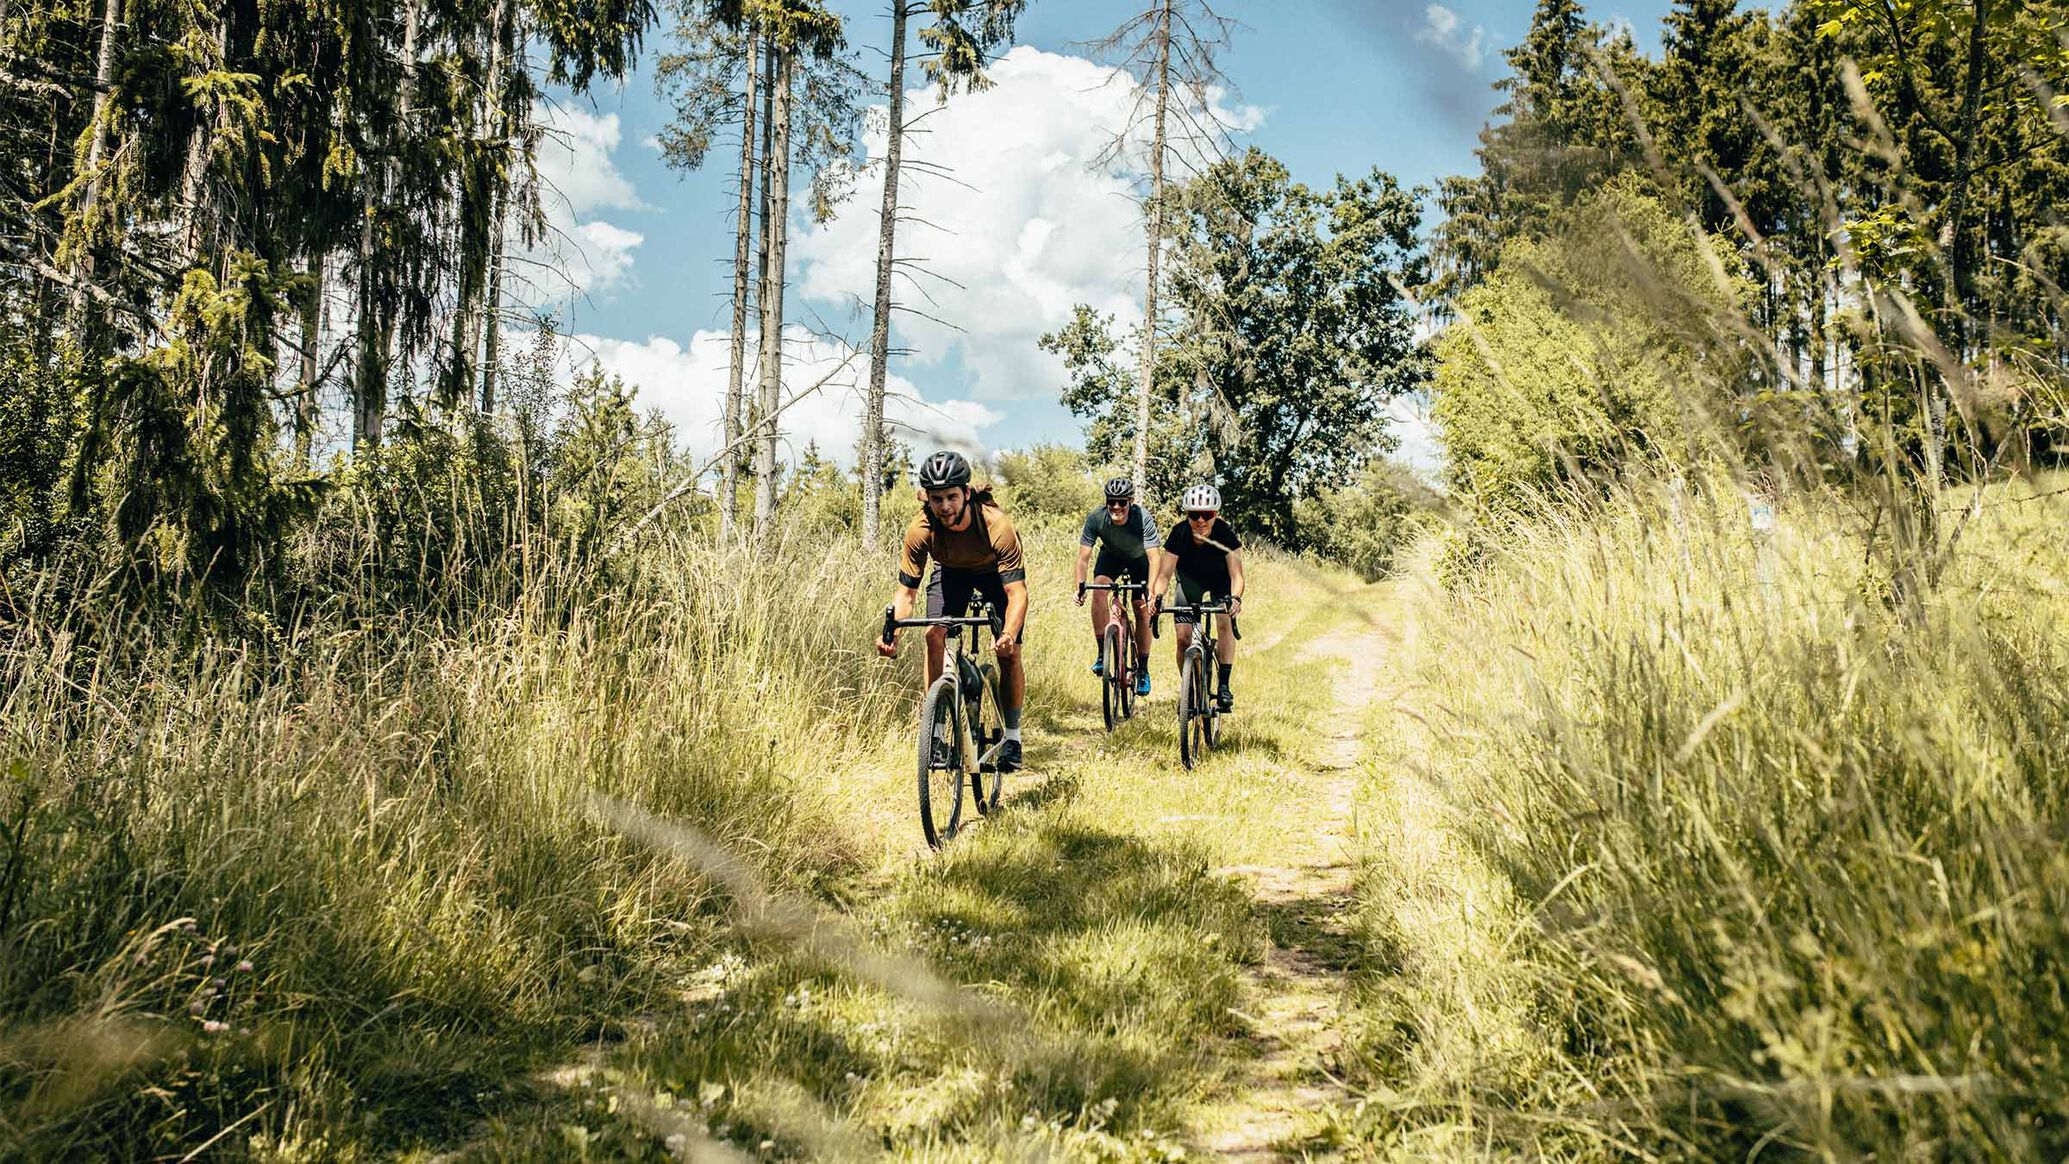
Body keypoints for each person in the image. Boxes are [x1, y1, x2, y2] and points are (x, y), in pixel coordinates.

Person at [876, 450, 1029, 771]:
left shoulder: (997, 526)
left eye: (951, 497)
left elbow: (1017, 594)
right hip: (950, 573)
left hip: (993, 575)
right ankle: (937, 732)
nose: (945, 507)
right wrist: (893, 634)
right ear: (927, 499)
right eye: (937, 499)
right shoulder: (920, 529)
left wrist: (1008, 634)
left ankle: (1012, 738)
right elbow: (906, 593)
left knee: (1010, 653)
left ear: (967, 494)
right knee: (934, 635)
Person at [1149, 483, 1245, 712]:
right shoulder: (1179, 534)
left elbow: (1237, 576)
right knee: (1182, 639)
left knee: (1224, 623)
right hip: (1189, 584)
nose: (1201, 520)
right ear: (1187, 515)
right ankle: (1189, 688)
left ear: (1216, 514)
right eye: (1194, 515)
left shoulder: (1226, 534)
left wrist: (1235, 599)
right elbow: (1164, 574)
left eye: (1207, 514)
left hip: (1220, 582)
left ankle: (1223, 684)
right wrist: (1156, 596)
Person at [1074, 476, 1159, 697]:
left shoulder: (1142, 518)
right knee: (1099, 590)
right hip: (1111, 557)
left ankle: (1143, 669)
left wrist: (1151, 591)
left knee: (1141, 607)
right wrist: (1080, 587)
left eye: (1122, 502)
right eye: (1112, 501)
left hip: (1139, 559)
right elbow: (1083, 558)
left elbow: (1155, 559)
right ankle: (1103, 653)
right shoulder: (1096, 517)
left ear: (1130, 502)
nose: (1116, 507)